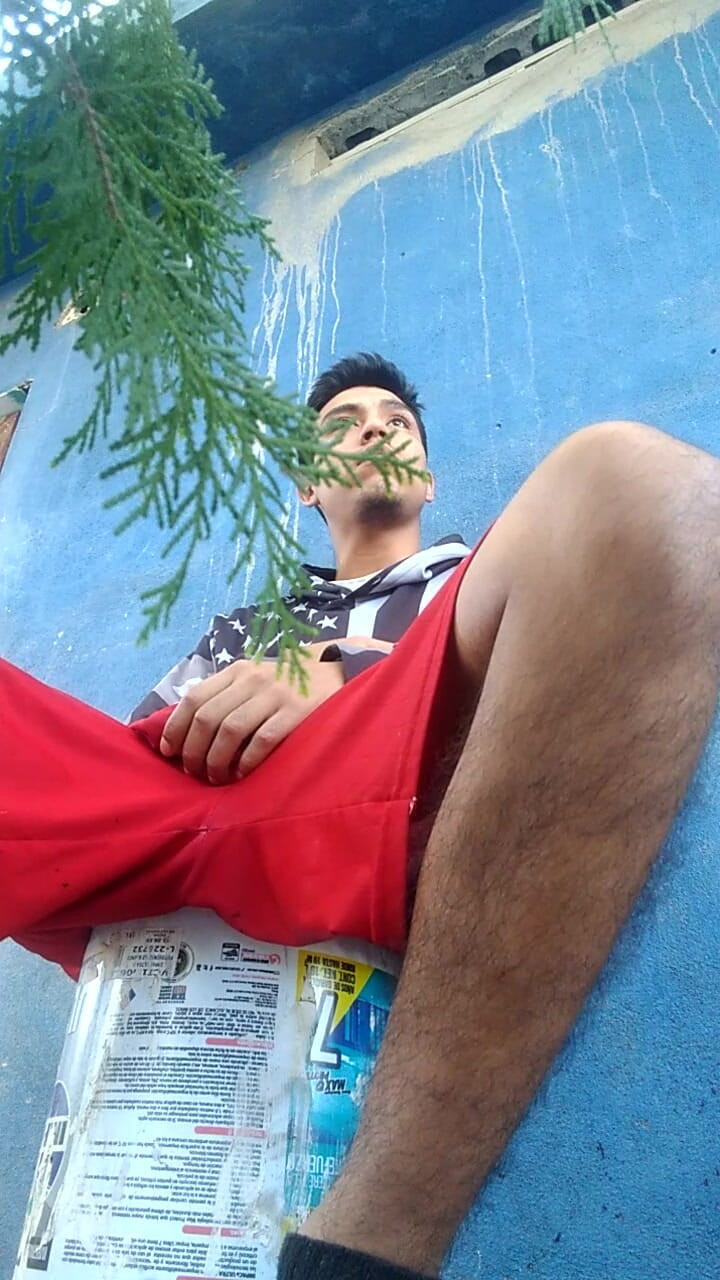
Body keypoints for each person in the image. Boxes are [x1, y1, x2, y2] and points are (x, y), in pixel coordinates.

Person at [3, 351, 720, 1280]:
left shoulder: (479, 573)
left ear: (427, 475)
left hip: (409, 799)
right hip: (217, 828)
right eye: (343, 425)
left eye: (397, 421)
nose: (376, 426)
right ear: (308, 486)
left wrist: (344, 671)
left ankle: (366, 1249)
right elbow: (149, 759)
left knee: (640, 485)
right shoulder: (243, 626)